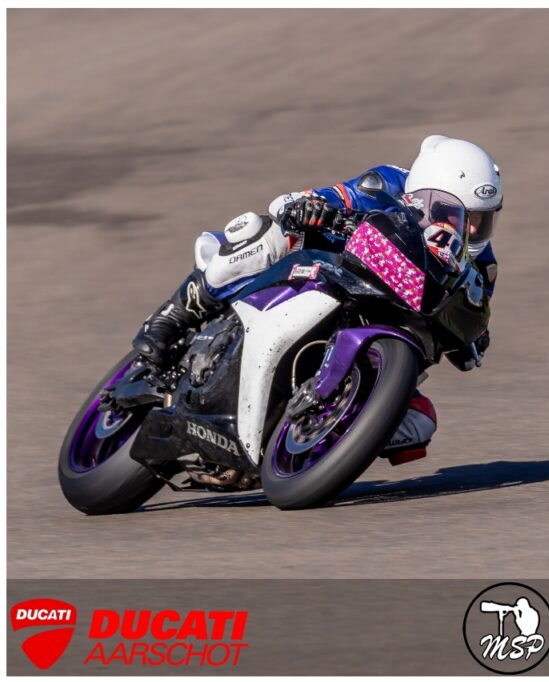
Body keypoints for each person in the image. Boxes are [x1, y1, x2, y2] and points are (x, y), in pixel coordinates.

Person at [131, 135, 502, 461]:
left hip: (392, 330)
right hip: (333, 272)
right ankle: (172, 317)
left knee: (420, 424)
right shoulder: (388, 183)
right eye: (462, 215)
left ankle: (325, 438)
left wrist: (473, 338)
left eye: (483, 219)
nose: (472, 228)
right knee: (266, 232)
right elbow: (302, 201)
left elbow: (472, 321)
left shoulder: (481, 263)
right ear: (426, 196)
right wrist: (308, 207)